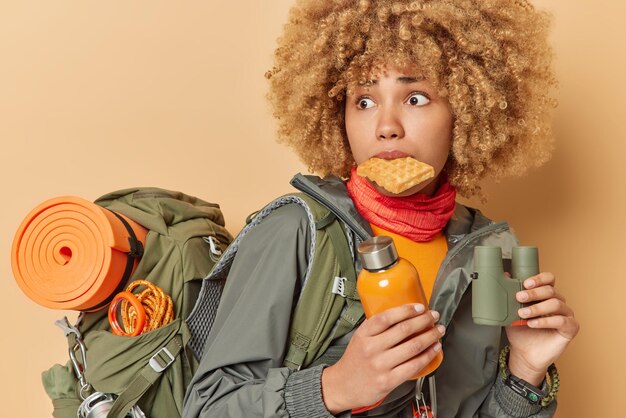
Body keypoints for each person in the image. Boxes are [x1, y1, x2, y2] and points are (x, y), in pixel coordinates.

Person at [183, 0, 579, 416]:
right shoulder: (295, 232)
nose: (387, 126)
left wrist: (525, 372)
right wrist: (333, 388)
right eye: (365, 101)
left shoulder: (488, 254)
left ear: (465, 113)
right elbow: (207, 407)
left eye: (416, 97)